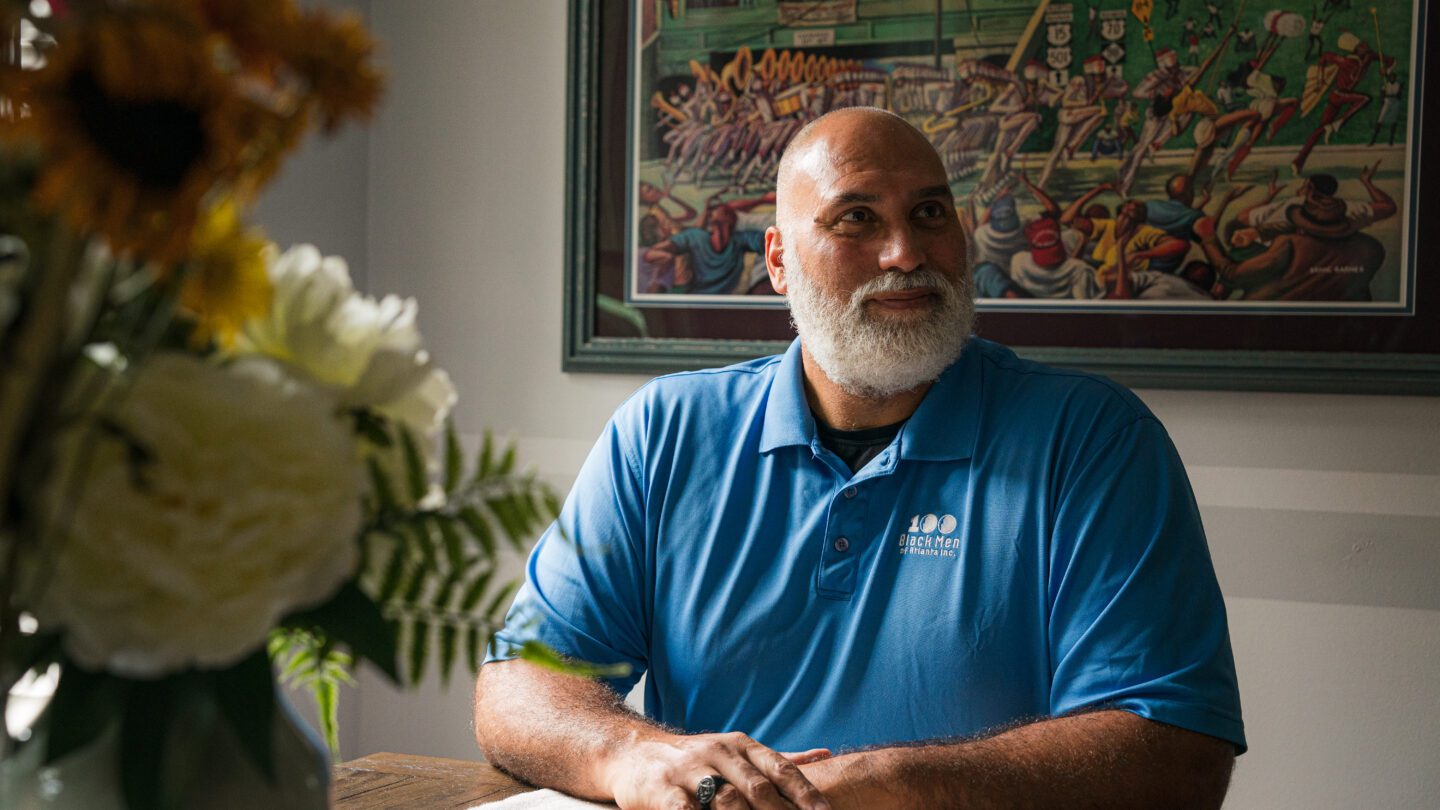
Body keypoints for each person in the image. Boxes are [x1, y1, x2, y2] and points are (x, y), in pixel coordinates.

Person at [474, 108, 1243, 810]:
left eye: (930, 214)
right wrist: (632, 755)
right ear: (779, 261)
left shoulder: (1094, 439)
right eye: (857, 218)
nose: (905, 252)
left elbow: (1177, 754)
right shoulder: (664, 430)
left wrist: (897, 782)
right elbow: (517, 689)